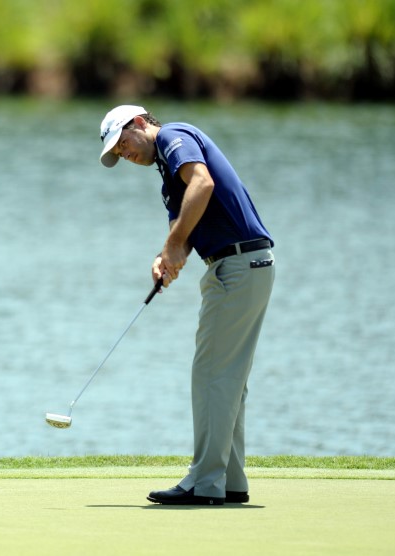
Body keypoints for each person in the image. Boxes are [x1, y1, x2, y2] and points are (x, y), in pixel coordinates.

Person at [98, 105, 275, 505]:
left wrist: (175, 245)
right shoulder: (166, 177)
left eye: (123, 143)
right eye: (118, 153)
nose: (124, 154)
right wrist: (167, 257)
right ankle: (230, 481)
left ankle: (204, 482)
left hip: (238, 265)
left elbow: (203, 184)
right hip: (243, 264)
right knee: (227, 379)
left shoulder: (174, 137)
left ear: (140, 123)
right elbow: (183, 227)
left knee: (211, 374)